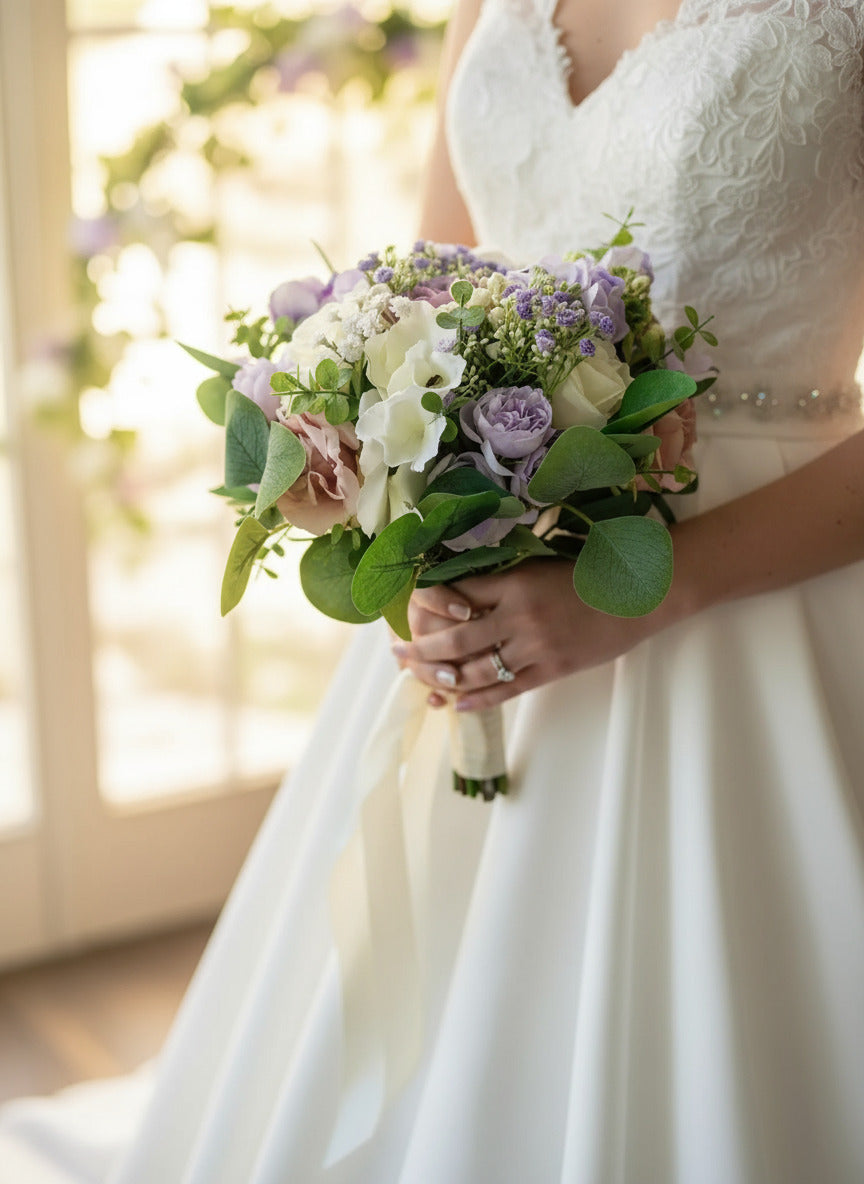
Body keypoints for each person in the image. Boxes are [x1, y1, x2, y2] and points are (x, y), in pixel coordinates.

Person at [2, 0, 863, 1181]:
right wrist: (401, 524)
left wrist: (660, 590)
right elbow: (423, 286)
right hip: (488, 555)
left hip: (769, 603)